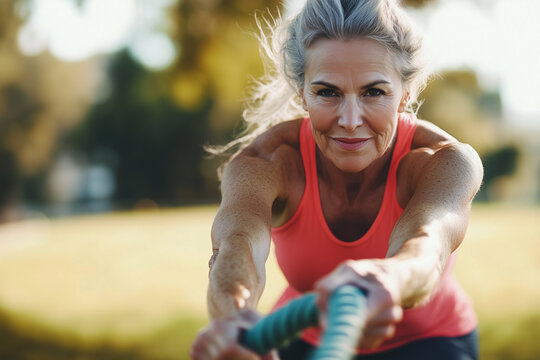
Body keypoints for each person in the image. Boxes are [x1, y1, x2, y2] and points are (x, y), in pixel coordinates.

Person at [191, 0, 483, 359]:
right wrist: (234, 317)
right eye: (327, 92)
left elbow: (428, 242)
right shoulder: (267, 162)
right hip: (307, 335)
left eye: (374, 92)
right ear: (302, 95)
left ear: (404, 95)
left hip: (428, 341)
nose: (349, 120)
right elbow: (237, 244)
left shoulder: (444, 161)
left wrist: (387, 279)